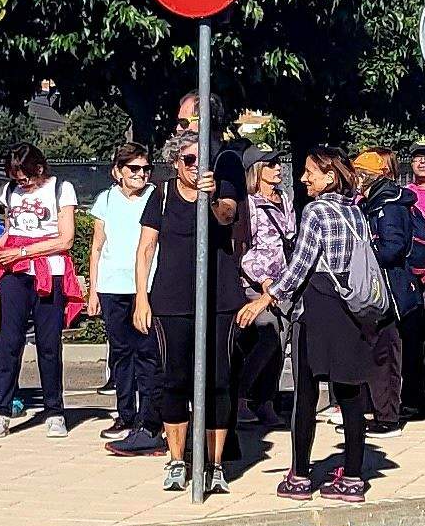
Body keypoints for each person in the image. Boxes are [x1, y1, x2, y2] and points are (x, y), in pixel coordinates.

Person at [132, 132, 245, 493]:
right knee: (175, 379)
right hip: (171, 301)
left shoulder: (221, 188)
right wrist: (141, 298)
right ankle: (177, 459)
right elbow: (146, 248)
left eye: (202, 160)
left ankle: (213, 465)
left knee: (218, 381)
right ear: (175, 164)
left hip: (219, 299)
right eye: (190, 161)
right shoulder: (161, 196)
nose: (197, 168)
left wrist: (209, 197)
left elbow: (227, 217)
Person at [276, 148, 382, 502]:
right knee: (349, 395)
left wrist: (268, 296)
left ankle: (300, 475)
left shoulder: (316, 211)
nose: (304, 178)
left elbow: (300, 266)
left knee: (305, 394)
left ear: (329, 177)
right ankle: (353, 477)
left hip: (318, 307)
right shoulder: (356, 211)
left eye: (310, 172)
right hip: (350, 307)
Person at [0, 144, 78, 436]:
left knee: (48, 343)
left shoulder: (61, 189)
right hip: (15, 272)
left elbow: (65, 240)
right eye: (16, 178)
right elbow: (10, 229)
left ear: (39, 168)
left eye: (25, 178)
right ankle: (1, 410)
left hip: (49, 270)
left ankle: (54, 410)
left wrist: (23, 251)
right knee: (8, 342)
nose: (21, 184)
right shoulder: (10, 192)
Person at [86, 145, 160, 454]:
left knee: (148, 353)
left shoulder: (156, 196)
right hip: (112, 285)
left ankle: (148, 420)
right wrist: (93, 291)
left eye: (145, 168)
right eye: (134, 169)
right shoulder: (105, 200)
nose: (141, 174)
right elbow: (96, 246)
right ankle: (125, 415)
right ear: (118, 171)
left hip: (146, 286)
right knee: (121, 352)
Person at [233, 152, 297, 436]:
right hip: (258, 284)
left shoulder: (285, 199)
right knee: (269, 333)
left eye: (277, 163)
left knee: (281, 340)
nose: (277, 168)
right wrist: (264, 281)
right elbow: (245, 250)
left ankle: (266, 400)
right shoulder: (249, 205)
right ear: (256, 171)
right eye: (270, 164)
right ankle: (242, 396)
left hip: (284, 282)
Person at [358, 150, 422, 431]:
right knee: (388, 351)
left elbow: (393, 246)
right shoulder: (381, 201)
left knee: (390, 353)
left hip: (392, 287)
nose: (356, 180)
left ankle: (389, 415)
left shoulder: (388, 204)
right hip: (394, 286)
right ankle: (385, 409)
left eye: (360, 174)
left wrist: (366, 255)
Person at [397, 144, 425, 418]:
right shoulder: (405, 196)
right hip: (411, 281)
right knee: (411, 342)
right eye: (416, 157)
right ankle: (412, 398)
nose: (422, 162)